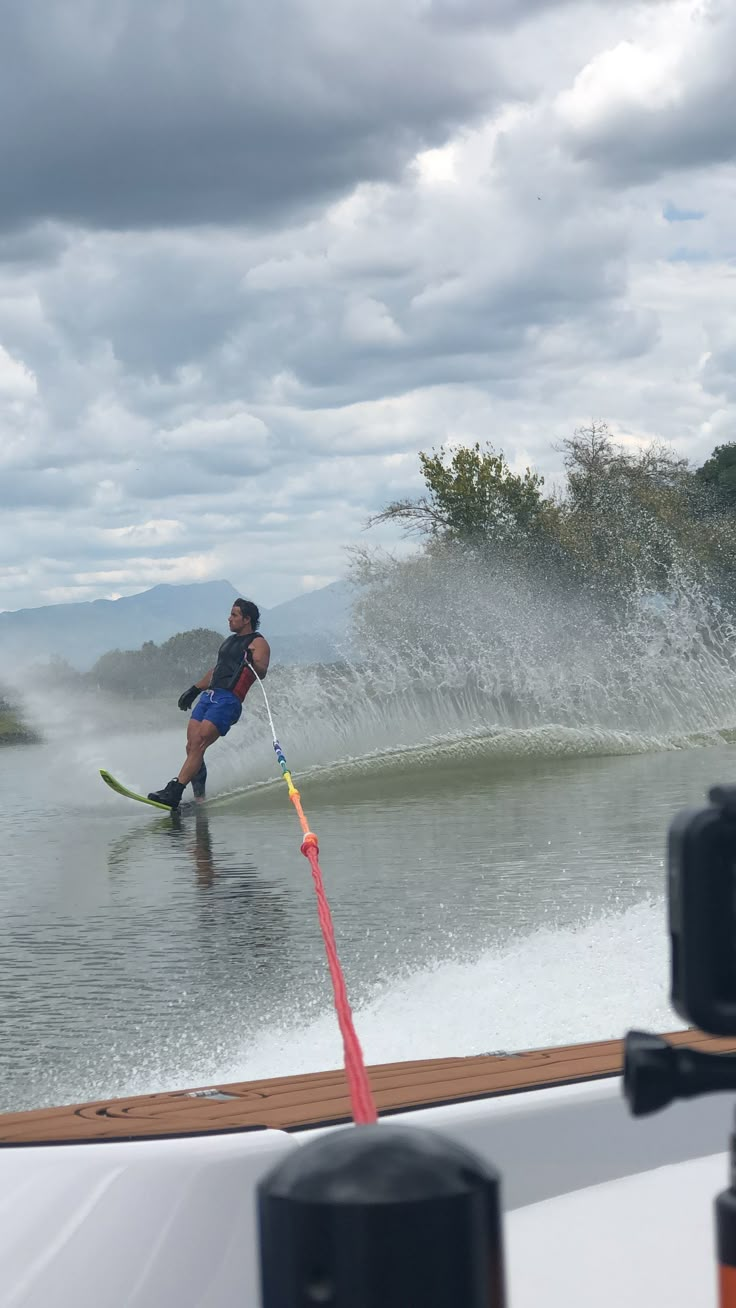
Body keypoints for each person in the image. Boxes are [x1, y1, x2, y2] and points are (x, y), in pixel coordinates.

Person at [147, 598, 270, 810]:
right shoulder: (228, 642)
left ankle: (175, 790)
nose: (229, 618)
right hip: (210, 695)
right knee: (192, 745)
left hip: (229, 699)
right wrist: (194, 690)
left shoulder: (258, 643)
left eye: (234, 615)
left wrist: (251, 659)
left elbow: (262, 671)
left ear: (247, 619)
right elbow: (216, 670)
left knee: (201, 741)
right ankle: (199, 798)